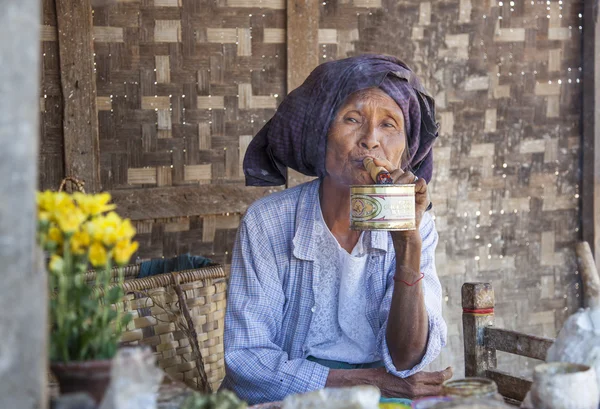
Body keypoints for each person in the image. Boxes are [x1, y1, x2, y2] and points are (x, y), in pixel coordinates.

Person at [219, 54, 451, 405]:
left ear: (404, 150)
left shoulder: (419, 224)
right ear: (320, 137)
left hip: (385, 395)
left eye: (389, 125)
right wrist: (362, 383)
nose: (371, 140)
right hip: (289, 397)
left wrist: (407, 245)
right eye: (352, 119)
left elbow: (406, 359)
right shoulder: (268, 221)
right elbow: (248, 360)